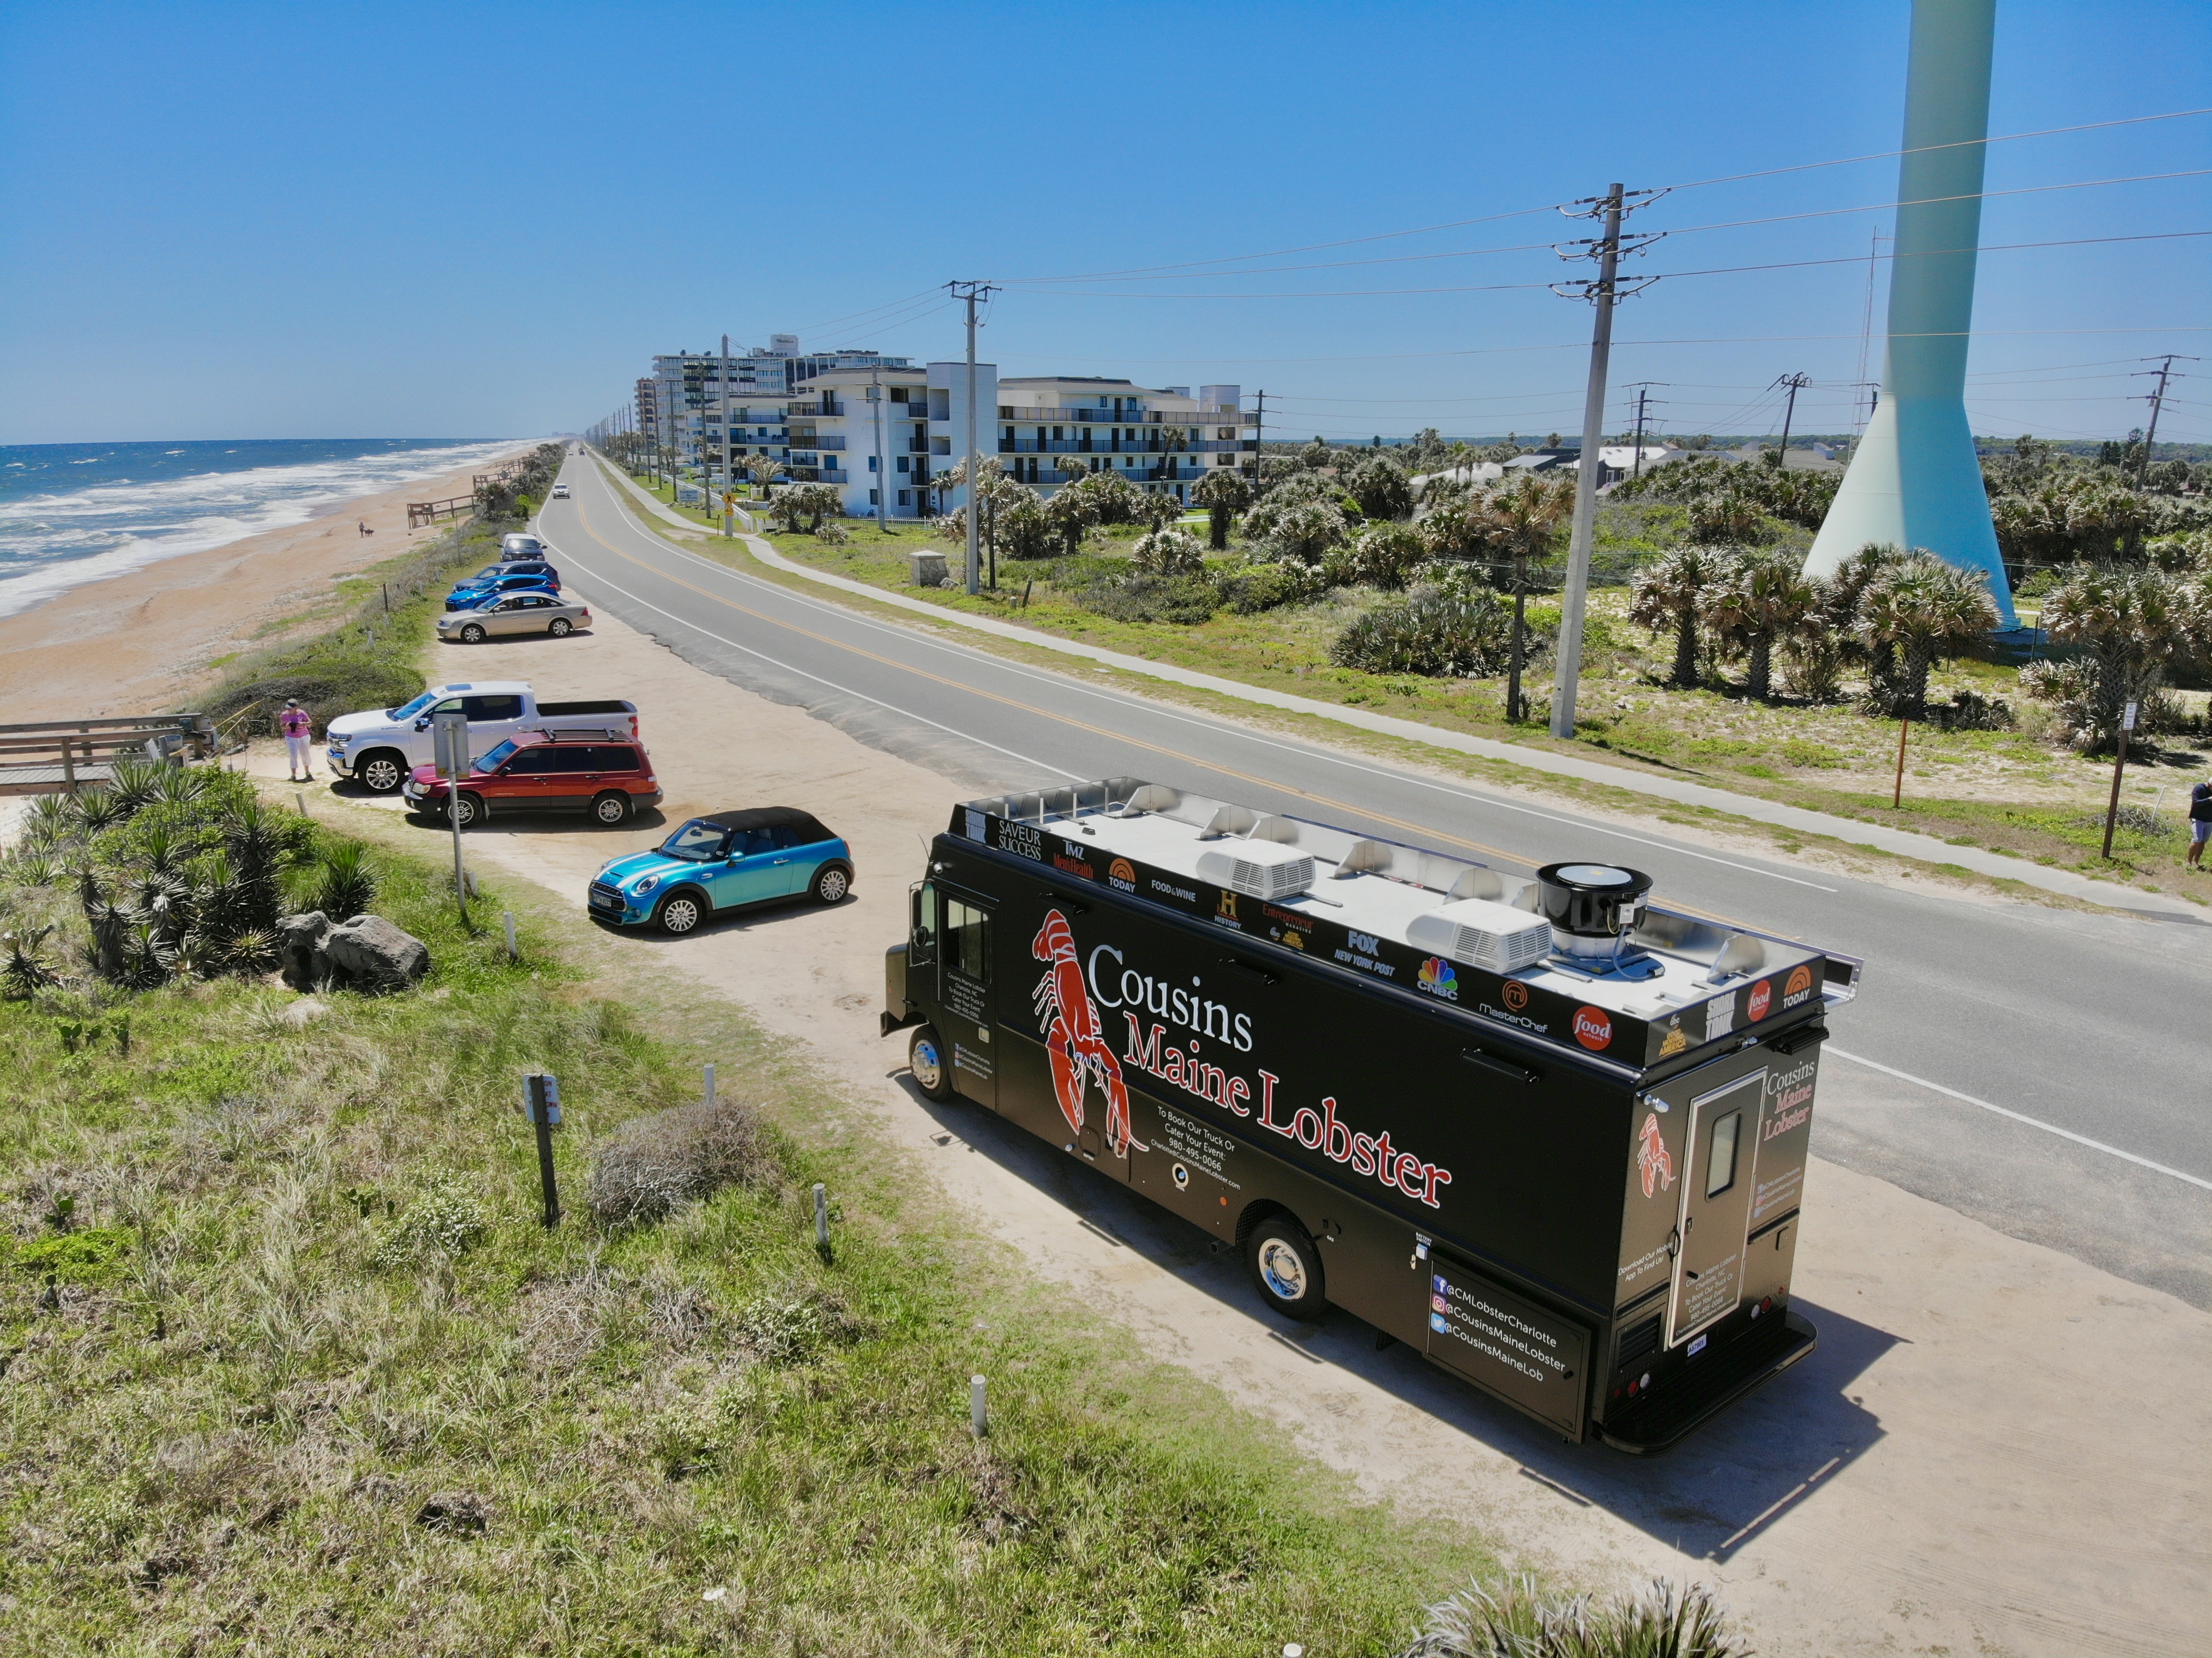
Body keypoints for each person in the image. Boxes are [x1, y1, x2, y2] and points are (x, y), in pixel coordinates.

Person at [279, 699, 314, 782]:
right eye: (288, 708)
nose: (289, 709)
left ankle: (308, 773)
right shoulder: (284, 715)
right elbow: (282, 727)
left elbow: (310, 723)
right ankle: (293, 775)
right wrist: (289, 726)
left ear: (296, 708)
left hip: (303, 736)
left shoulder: (301, 713)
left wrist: (302, 724)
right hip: (291, 737)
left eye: (291, 708)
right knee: (293, 755)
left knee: (305, 754)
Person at [2190, 778, 2212, 870]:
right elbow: (2196, 803)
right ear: (2210, 785)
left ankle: (2196, 862)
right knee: (2196, 840)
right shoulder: (2199, 789)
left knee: (2203, 842)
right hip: (2198, 819)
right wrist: (2209, 800)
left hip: (2209, 820)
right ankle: (2189, 862)